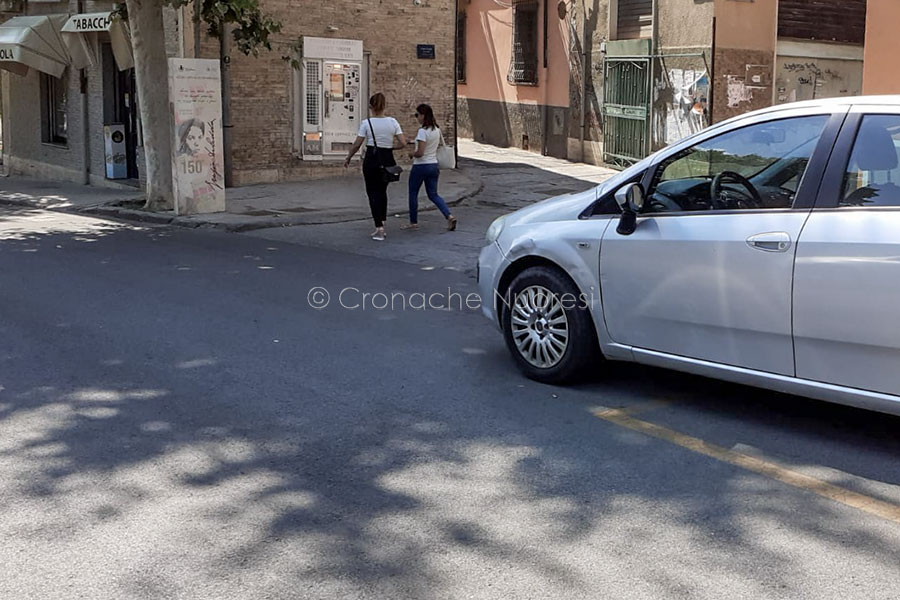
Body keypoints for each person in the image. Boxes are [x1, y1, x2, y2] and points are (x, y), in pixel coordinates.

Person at [344, 93, 407, 241]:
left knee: (372, 192)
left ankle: (379, 227)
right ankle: (382, 221)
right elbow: (403, 143)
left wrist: (349, 157)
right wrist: (392, 148)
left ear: (371, 107)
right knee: (382, 191)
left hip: (372, 159)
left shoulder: (367, 123)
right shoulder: (393, 122)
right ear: (384, 106)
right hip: (388, 158)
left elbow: (357, 144)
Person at [402, 104, 456, 231]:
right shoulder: (436, 130)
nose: (417, 118)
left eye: (417, 115)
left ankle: (413, 222)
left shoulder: (422, 131)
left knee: (413, 193)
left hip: (420, 166)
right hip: (433, 165)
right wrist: (413, 141)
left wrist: (411, 154)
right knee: (433, 194)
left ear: (423, 115)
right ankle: (449, 216)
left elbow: (420, 152)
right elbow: (428, 144)